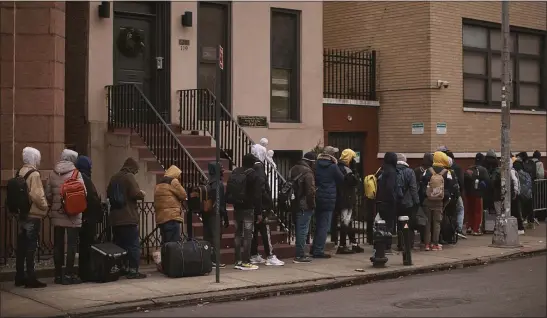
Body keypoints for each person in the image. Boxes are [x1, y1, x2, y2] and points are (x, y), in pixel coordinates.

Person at [46, 149, 86, 285]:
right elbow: (83, 192)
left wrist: (55, 204)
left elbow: (48, 194)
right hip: (73, 214)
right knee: (71, 244)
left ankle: (58, 274)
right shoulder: (76, 173)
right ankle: (69, 274)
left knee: (58, 244)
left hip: (58, 213)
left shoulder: (52, 173)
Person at [14, 147, 49, 288]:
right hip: (33, 214)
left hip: (22, 213)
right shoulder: (34, 174)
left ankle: (19, 276)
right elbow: (37, 195)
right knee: (31, 247)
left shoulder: (20, 172)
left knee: (21, 246)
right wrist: (45, 206)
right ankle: (31, 277)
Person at [107, 157, 146, 279]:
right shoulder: (129, 177)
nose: (135, 173)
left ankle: (121, 267)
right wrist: (142, 193)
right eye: (136, 170)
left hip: (115, 218)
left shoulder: (114, 177)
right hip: (128, 217)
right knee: (133, 245)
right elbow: (135, 193)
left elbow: (108, 193)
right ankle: (133, 270)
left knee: (119, 245)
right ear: (132, 168)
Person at [249, 144, 284, 266]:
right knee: (265, 231)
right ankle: (270, 255)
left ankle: (254, 254)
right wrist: (261, 210)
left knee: (256, 231)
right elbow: (259, 191)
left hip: (255, 205)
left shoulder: (251, 168)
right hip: (261, 206)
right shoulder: (259, 169)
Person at [311, 146, 344, 258]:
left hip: (317, 196)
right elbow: (341, 179)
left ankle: (314, 248)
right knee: (324, 226)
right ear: (331, 155)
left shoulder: (315, 165)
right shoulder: (333, 167)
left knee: (318, 224)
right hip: (328, 199)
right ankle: (318, 250)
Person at [231, 153, 262, 270]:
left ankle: (237, 260)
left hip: (237, 207)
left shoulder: (236, 172)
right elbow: (257, 195)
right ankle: (246, 261)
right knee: (248, 235)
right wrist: (259, 212)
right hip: (248, 208)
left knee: (238, 234)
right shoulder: (254, 175)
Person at [75, 156, 103, 283]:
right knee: (86, 246)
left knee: (83, 246)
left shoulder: (78, 176)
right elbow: (91, 198)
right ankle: (86, 272)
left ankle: (84, 272)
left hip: (83, 217)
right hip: (88, 218)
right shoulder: (84, 178)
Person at [420, 151, 454, 251]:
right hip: (439, 201)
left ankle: (426, 244)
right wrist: (445, 198)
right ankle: (435, 244)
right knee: (437, 223)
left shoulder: (427, 171)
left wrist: (425, 196)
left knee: (428, 223)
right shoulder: (446, 172)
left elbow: (422, 185)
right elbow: (450, 187)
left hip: (428, 200)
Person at [289, 152, 317, 263]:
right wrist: (312, 205)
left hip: (294, 202)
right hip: (304, 204)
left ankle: (299, 253)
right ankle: (300, 255)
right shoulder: (308, 172)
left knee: (298, 229)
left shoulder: (293, 169)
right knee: (303, 230)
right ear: (310, 162)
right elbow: (310, 191)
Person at [334, 149, 363, 254]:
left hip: (343, 197)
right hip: (346, 198)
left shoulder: (338, 167)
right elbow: (354, 181)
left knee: (347, 222)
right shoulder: (346, 169)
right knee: (345, 222)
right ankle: (342, 246)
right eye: (353, 157)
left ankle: (354, 243)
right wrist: (355, 169)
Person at [202, 162, 229, 268]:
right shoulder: (218, 184)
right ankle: (215, 260)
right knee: (216, 238)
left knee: (208, 238)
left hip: (208, 214)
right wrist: (225, 216)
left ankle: (208, 259)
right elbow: (221, 202)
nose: (223, 171)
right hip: (216, 215)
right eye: (221, 169)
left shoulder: (208, 183)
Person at [154, 165, 187, 245]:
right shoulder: (173, 181)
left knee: (165, 243)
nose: (179, 177)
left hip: (161, 219)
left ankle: (165, 257)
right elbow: (183, 194)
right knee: (173, 245)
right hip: (171, 217)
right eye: (179, 175)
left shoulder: (159, 183)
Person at [395, 153, 420, 250]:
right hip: (408, 202)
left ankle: (400, 244)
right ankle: (408, 243)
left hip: (397, 202)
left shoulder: (393, 170)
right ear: (405, 161)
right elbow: (413, 188)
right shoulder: (410, 172)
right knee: (409, 224)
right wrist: (416, 201)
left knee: (399, 223)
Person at [376, 152, 399, 254]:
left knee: (382, 224)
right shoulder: (392, 171)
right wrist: (394, 199)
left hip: (380, 199)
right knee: (389, 225)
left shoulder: (382, 169)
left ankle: (381, 245)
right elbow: (390, 187)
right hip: (388, 201)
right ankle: (387, 247)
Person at [463, 153, 490, 236]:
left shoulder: (469, 168)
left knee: (470, 211)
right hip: (478, 194)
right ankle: (476, 229)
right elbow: (488, 181)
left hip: (468, 193)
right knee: (478, 212)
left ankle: (469, 227)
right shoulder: (483, 170)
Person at [445, 151, 466, 239]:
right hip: (456, 193)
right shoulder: (457, 168)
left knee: (449, 212)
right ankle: (459, 229)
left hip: (445, 194)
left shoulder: (443, 168)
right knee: (460, 209)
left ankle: (449, 230)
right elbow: (461, 181)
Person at [513, 159, 534, 232]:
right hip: (528, 194)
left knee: (518, 210)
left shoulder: (516, 173)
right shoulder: (526, 173)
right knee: (527, 209)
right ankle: (530, 222)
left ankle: (521, 226)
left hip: (520, 194)